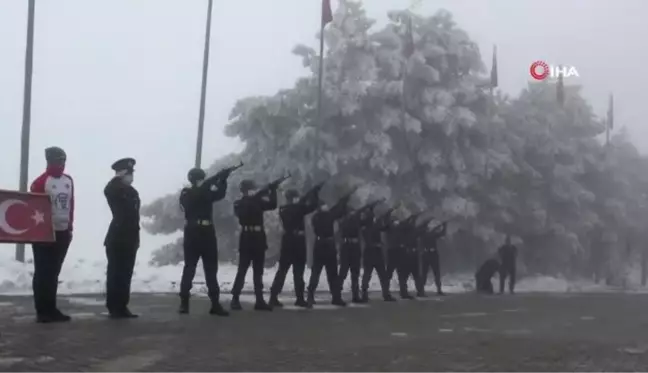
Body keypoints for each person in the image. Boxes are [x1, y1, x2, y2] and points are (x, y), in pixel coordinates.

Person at [29, 146, 74, 323]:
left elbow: (71, 204)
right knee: (43, 272)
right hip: (44, 233)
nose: (61, 164)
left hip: (62, 232)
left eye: (63, 160)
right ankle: (42, 310)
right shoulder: (40, 182)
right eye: (58, 161)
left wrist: (70, 227)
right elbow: (32, 208)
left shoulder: (68, 180)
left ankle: (52, 308)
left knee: (53, 272)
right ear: (49, 161)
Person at [178, 168, 230, 316]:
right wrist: (207, 184)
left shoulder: (206, 192)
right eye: (201, 179)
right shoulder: (187, 192)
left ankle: (215, 304)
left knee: (211, 269)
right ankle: (184, 302)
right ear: (195, 180)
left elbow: (219, 194)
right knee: (190, 268)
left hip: (208, 232)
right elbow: (189, 203)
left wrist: (223, 180)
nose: (202, 181)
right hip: (193, 232)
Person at [230, 179, 279, 311]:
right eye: (252, 189)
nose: (254, 190)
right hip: (246, 238)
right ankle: (235, 298)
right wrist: (259, 195)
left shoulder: (257, 201)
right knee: (242, 270)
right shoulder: (239, 203)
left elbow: (273, 205)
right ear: (245, 191)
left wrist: (273, 190)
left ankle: (259, 300)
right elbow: (244, 212)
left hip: (258, 238)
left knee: (258, 271)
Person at [269, 186, 321, 308]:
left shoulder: (288, 208)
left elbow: (308, 207)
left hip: (290, 241)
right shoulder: (291, 208)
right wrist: (314, 194)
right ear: (293, 198)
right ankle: (292, 297)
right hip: (295, 242)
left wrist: (313, 194)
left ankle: (283, 297)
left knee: (291, 271)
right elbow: (311, 206)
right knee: (291, 271)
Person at [103, 157, 140, 318]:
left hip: (131, 236)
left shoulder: (131, 191)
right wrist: (118, 177)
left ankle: (122, 305)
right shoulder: (114, 188)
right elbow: (109, 190)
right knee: (115, 273)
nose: (131, 177)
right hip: (117, 236)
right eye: (129, 173)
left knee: (126, 273)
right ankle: (114, 306)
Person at [307, 193, 352, 306]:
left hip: (320, 245)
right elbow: (338, 209)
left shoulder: (316, 217)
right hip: (327, 245)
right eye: (324, 205)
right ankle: (335, 298)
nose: (326, 206)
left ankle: (311, 296)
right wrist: (345, 197)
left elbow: (338, 210)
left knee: (319, 273)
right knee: (329, 274)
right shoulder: (325, 216)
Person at [360, 206, 395, 302]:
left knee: (379, 275)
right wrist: (386, 217)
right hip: (372, 251)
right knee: (369, 275)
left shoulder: (370, 225)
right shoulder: (367, 227)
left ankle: (384, 294)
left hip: (374, 252)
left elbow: (385, 228)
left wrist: (387, 216)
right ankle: (366, 294)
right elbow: (380, 229)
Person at [337, 207, 366, 303]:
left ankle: (355, 295)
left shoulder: (357, 220)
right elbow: (343, 226)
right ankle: (337, 294)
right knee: (343, 273)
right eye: (351, 212)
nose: (353, 213)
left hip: (355, 248)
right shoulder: (343, 221)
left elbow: (365, 222)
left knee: (355, 273)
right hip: (346, 247)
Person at [416, 221, 448, 297]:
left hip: (432, 254)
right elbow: (437, 234)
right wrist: (442, 227)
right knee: (425, 274)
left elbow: (442, 234)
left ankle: (439, 290)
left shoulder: (428, 233)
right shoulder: (423, 233)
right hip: (426, 254)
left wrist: (444, 226)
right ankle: (421, 291)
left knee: (436, 273)